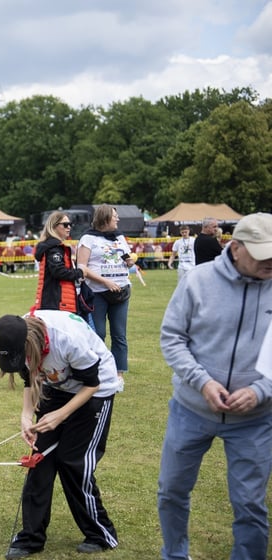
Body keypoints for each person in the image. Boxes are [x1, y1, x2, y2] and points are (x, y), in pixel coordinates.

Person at [158, 212, 272, 560]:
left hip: (255, 419)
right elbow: (172, 338)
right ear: (235, 248)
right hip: (190, 410)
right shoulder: (197, 280)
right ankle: (175, 555)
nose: (270, 261)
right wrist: (202, 382)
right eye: (263, 253)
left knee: (250, 504)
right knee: (171, 491)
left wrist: (259, 391)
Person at [0, 310, 121, 559]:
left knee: (73, 462)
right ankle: (31, 539)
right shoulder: (14, 334)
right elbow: (30, 378)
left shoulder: (68, 339)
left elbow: (92, 384)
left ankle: (100, 534)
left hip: (95, 390)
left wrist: (60, 415)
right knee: (39, 461)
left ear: (30, 343)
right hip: (57, 387)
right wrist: (26, 415)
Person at [76, 205, 135, 384]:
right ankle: (99, 369)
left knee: (119, 335)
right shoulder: (88, 238)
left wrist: (130, 261)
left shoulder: (119, 237)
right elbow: (81, 267)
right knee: (98, 333)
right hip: (97, 293)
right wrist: (105, 282)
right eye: (115, 216)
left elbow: (125, 256)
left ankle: (118, 374)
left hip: (121, 291)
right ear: (105, 218)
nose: (118, 219)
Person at [33, 211, 83, 313]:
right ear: (54, 226)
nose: (69, 227)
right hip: (56, 301)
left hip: (54, 300)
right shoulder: (54, 248)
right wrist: (80, 272)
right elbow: (59, 272)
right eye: (65, 225)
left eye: (70, 224)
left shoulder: (52, 246)